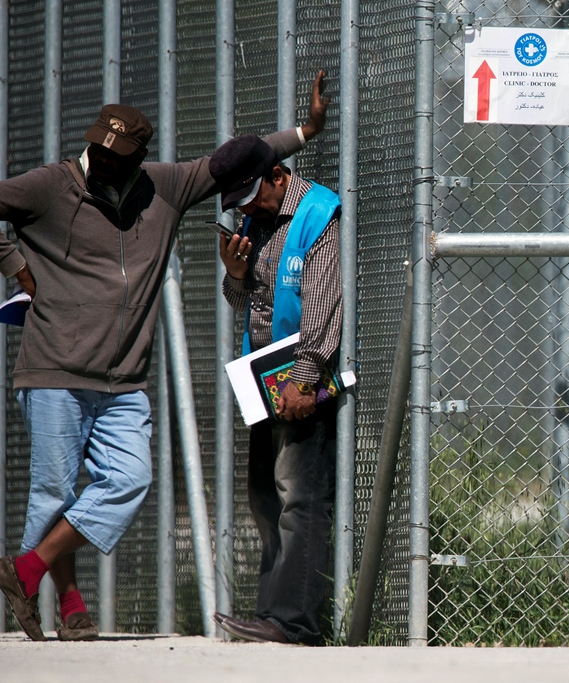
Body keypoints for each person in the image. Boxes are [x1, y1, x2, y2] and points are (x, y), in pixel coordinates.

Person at [0, 72, 329, 642]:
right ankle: (68, 605)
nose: (102, 163)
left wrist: (305, 131)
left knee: (129, 478)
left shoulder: (165, 187)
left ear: (139, 157)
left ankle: (24, 570)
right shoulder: (50, 186)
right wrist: (14, 264)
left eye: (116, 157)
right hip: (54, 367)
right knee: (54, 492)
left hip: (125, 379)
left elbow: (238, 159)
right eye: (98, 151)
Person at [209, 132, 342, 645]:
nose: (246, 211)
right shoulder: (255, 218)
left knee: (301, 499)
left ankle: (294, 621)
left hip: (300, 384)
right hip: (263, 383)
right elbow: (243, 299)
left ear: (276, 177)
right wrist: (235, 276)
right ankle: (270, 613)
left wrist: (305, 378)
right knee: (264, 497)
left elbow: (324, 300)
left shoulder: (316, 213)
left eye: (250, 198)